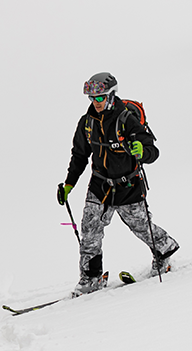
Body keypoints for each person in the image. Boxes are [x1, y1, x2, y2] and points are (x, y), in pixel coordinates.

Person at [57, 73, 179, 294]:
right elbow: (79, 155)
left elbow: (153, 151)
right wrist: (69, 184)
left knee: (140, 226)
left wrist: (143, 152)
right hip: (100, 186)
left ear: (111, 96)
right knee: (90, 230)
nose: (96, 102)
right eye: (92, 98)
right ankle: (91, 279)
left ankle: (165, 250)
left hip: (128, 186)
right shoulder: (87, 123)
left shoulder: (126, 119)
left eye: (100, 98)